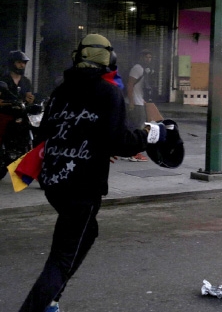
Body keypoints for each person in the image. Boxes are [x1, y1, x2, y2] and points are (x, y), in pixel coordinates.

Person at [18, 34, 163, 312]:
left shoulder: (61, 89)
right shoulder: (108, 93)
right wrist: (147, 135)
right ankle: (40, 305)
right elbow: (119, 142)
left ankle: (51, 299)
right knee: (62, 257)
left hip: (53, 182)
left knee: (87, 232)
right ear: (110, 61)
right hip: (82, 186)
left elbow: (44, 134)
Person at [125, 49, 154, 162]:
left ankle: (129, 152)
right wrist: (132, 101)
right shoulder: (137, 68)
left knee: (133, 127)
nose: (148, 59)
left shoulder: (144, 70)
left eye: (150, 57)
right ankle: (133, 153)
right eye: (146, 57)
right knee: (137, 128)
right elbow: (130, 85)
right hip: (135, 103)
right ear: (141, 58)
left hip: (138, 101)